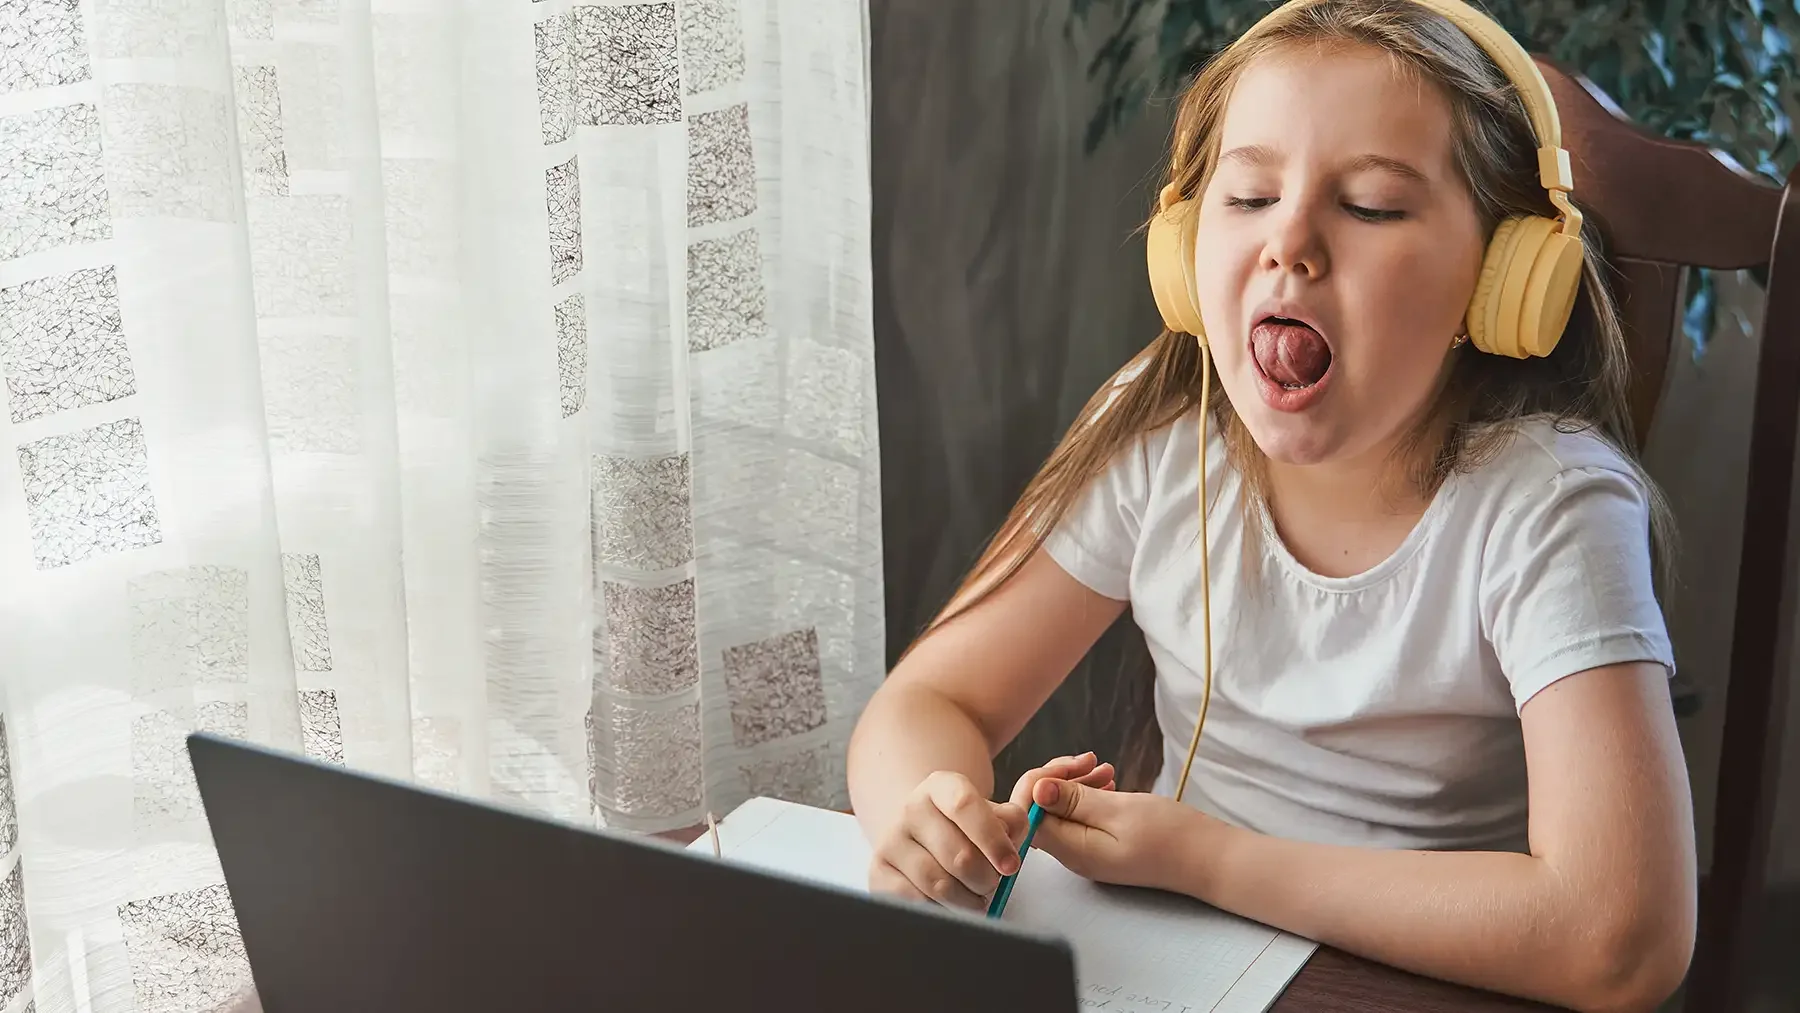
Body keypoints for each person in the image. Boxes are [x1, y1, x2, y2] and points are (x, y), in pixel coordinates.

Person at [844, 1, 1697, 1011]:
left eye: (1371, 207)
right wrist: (928, 813)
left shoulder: (1551, 504)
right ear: (1184, 246)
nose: (1290, 241)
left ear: (1502, 281)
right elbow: (928, 703)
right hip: (1184, 967)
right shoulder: (1162, 428)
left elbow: (1621, 938)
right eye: (1249, 195)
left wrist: (1212, 859)